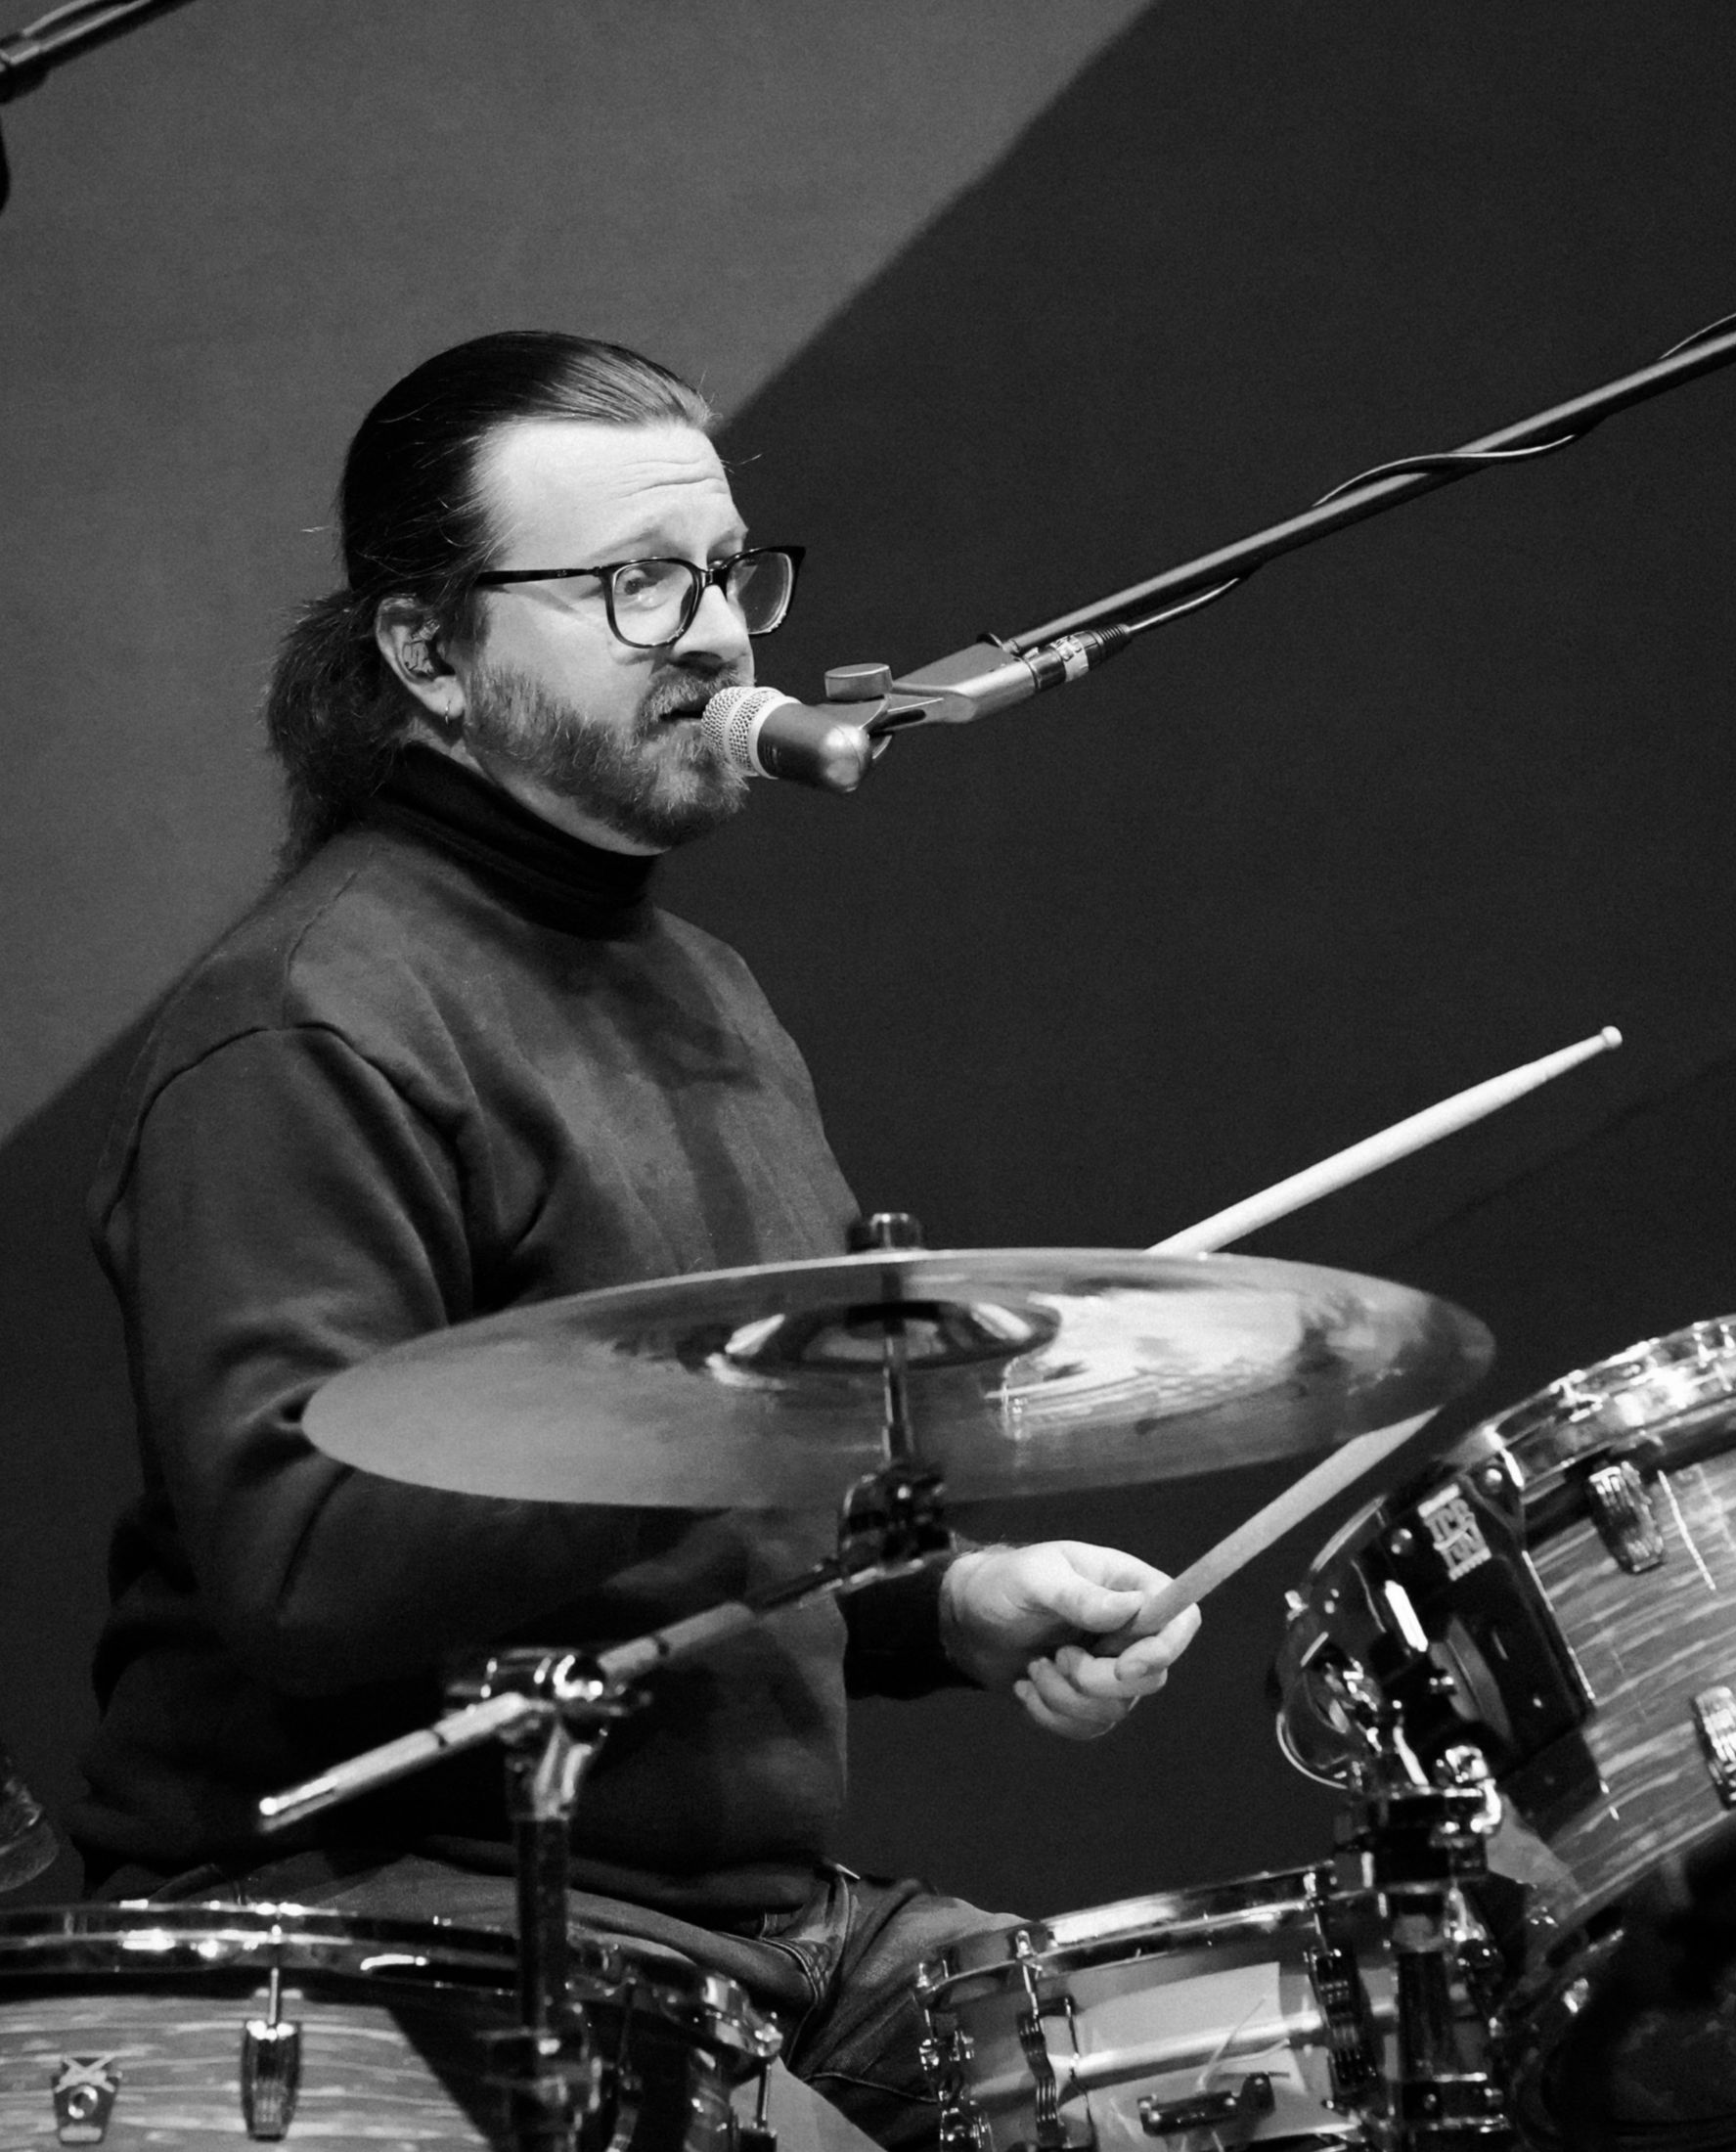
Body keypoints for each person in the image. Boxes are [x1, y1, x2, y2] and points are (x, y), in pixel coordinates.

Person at [74, 332, 1200, 2144]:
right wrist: (732, 1406)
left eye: (728, 571)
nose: (716, 631)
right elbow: (301, 1568)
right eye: (630, 584)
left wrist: (947, 1604)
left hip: (752, 1938)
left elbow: (711, 1533)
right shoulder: (305, 1026)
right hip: (412, 1933)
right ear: (428, 650)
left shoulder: (707, 993)